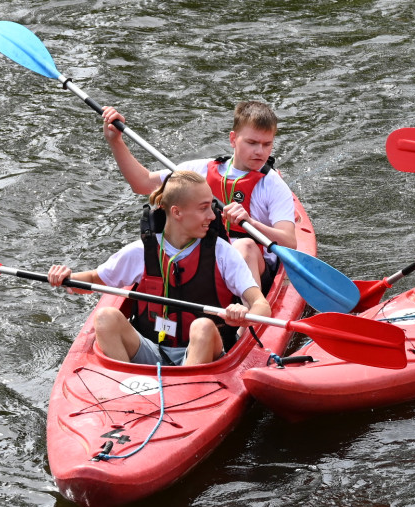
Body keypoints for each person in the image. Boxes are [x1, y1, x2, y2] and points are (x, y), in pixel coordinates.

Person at [47, 171, 271, 366]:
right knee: (105, 317)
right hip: (151, 349)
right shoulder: (140, 252)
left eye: (210, 207)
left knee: (202, 326)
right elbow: (95, 279)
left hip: (204, 357)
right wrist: (67, 278)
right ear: (177, 212)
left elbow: (262, 306)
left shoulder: (222, 252)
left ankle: (186, 393)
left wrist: (244, 316)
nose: (213, 216)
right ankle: (125, 387)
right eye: (204, 209)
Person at [100, 100, 296, 292]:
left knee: (245, 246)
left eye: (266, 144)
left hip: (251, 266)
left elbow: (289, 242)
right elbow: (142, 183)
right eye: (252, 142)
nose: (259, 151)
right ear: (233, 139)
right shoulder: (198, 170)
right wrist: (115, 141)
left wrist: (251, 223)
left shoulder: (273, 185)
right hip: (200, 258)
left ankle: (249, 318)